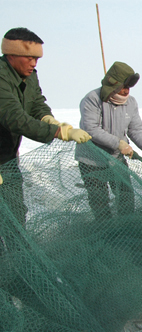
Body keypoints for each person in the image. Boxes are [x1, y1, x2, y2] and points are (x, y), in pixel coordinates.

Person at [0, 27, 91, 225]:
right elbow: (14, 118)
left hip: (7, 159)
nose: (34, 63)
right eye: (29, 58)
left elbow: (36, 104)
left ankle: (16, 256)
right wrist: (58, 132)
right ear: (11, 55)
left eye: (37, 59)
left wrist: (50, 120)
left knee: (15, 215)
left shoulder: (30, 76)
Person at [76, 61, 142, 220]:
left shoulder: (131, 102)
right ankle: (106, 234)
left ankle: (126, 229)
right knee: (99, 201)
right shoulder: (92, 99)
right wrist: (119, 143)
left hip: (116, 159)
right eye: (123, 86)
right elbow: (91, 129)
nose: (126, 91)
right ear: (113, 84)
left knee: (126, 196)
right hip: (91, 160)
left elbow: (135, 130)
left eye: (129, 87)